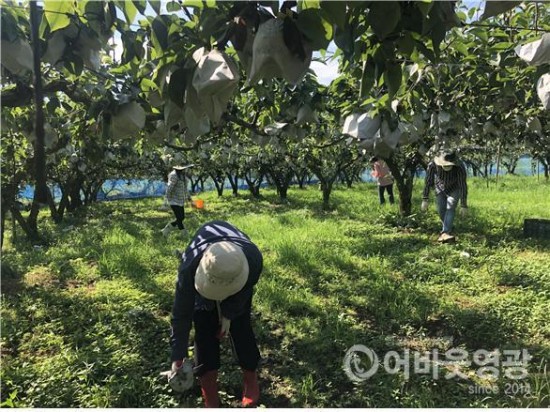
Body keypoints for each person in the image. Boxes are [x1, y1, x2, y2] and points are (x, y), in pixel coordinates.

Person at [170, 220, 263, 408]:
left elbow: (245, 290)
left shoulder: (252, 258)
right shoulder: (189, 269)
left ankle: (250, 378)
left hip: (237, 281)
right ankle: (209, 389)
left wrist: (229, 313)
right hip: (204, 276)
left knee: (241, 324)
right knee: (204, 328)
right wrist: (178, 355)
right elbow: (181, 314)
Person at [421, 151, 468, 243]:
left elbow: (462, 185)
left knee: (450, 208)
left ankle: (445, 232)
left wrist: (463, 205)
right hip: (440, 189)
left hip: (455, 188)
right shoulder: (432, 165)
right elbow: (428, 181)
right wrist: (425, 199)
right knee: (441, 210)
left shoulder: (460, 166)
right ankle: (448, 227)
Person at [162, 165, 191, 237]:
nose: (181, 171)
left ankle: (167, 228)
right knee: (179, 218)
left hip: (180, 200)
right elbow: (170, 187)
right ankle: (184, 233)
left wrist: (188, 197)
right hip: (173, 200)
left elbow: (185, 188)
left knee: (182, 217)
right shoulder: (174, 175)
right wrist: (166, 200)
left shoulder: (183, 176)